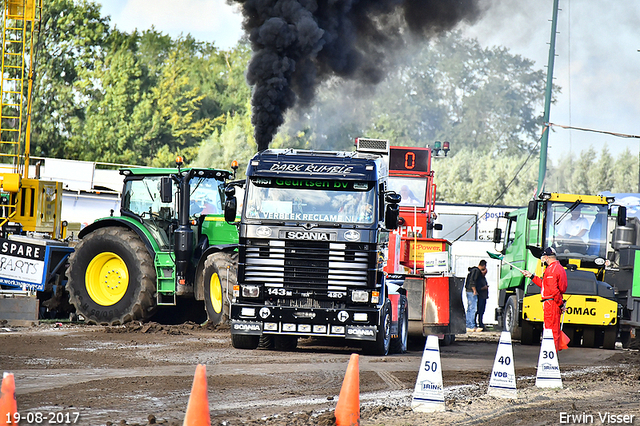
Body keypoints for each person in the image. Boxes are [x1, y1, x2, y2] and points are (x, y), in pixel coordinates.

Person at [522, 247, 568, 352]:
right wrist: (531, 276)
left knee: (550, 331)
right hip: (553, 302)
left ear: (547, 257)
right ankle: (551, 355)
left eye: (543, 257)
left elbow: (553, 290)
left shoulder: (552, 270)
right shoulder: (558, 268)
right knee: (552, 330)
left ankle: (551, 356)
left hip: (551, 303)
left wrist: (560, 304)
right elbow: (545, 285)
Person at [464, 260, 487, 332]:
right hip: (471, 291)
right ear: (484, 266)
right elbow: (472, 281)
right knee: (473, 308)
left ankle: (468, 324)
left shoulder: (474, 271)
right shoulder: (476, 271)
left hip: (469, 291)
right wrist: (474, 290)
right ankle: (471, 326)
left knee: (470, 308)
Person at [475, 264, 489, 331]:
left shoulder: (484, 278)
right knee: (478, 310)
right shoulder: (479, 279)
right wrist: (484, 288)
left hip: (484, 297)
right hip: (480, 296)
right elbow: (478, 288)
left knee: (482, 311)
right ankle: (475, 323)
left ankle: (481, 323)